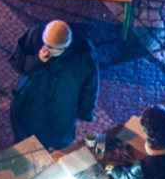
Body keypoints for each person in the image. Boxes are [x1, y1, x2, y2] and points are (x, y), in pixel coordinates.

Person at [8, 19, 99, 151]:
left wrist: (85, 111)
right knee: (25, 147)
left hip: (61, 115)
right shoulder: (35, 35)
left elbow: (90, 86)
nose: (46, 50)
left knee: (58, 151)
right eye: (45, 44)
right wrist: (37, 60)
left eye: (53, 49)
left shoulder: (83, 53)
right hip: (29, 108)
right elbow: (17, 63)